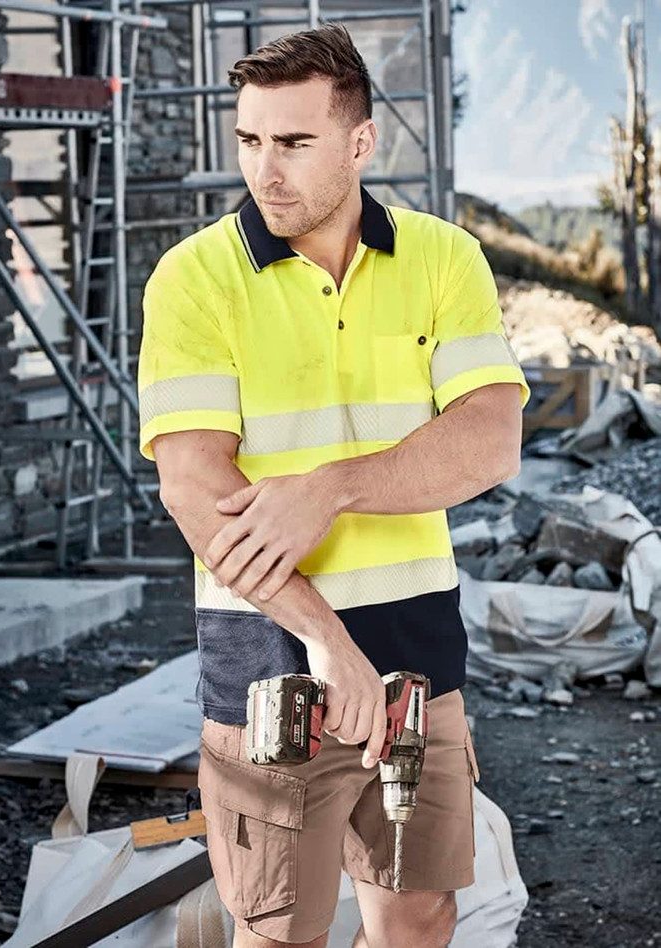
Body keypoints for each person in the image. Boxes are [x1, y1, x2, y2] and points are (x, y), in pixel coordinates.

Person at [137, 22, 530, 948]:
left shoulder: (442, 258)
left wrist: (331, 487)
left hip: (422, 668)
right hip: (270, 668)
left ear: (360, 142)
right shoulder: (193, 280)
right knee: (280, 933)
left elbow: (491, 441)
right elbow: (197, 492)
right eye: (250, 141)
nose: (264, 171)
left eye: (294, 143)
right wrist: (326, 639)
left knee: (421, 915)